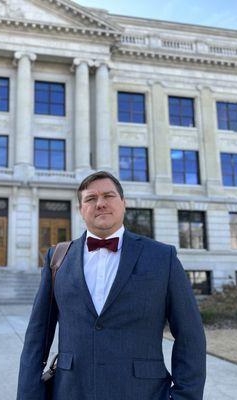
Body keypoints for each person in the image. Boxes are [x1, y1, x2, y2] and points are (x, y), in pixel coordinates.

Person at [17, 171, 206, 400]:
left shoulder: (162, 257)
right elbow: (37, 336)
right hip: (70, 392)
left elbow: (190, 336)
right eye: (90, 198)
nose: (100, 204)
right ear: (80, 209)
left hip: (143, 393)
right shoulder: (57, 258)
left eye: (109, 196)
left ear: (123, 203)